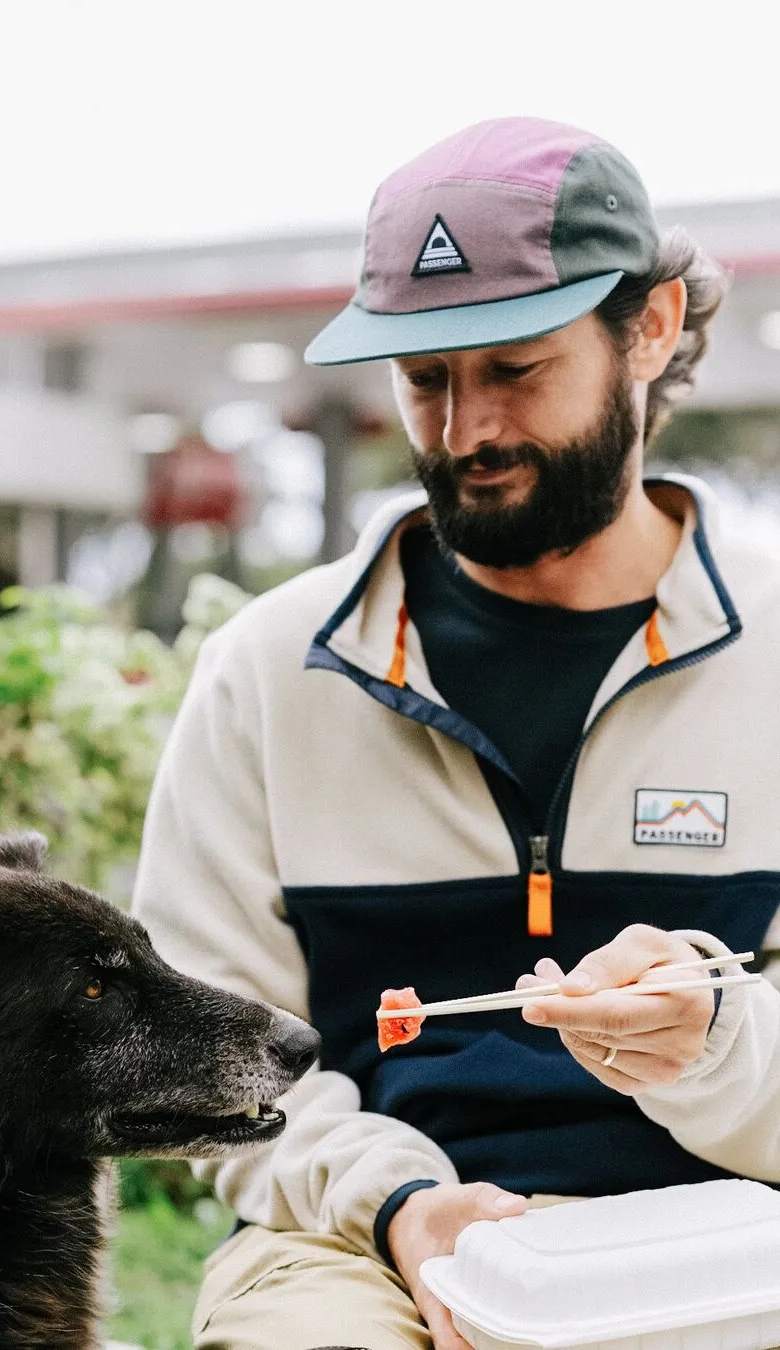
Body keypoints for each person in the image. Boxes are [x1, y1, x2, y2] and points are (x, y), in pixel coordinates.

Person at [131, 117, 780, 1350]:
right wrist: (407, 1211)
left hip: (723, 1232)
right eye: (425, 381)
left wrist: (713, 1040)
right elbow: (199, 1064)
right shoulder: (267, 673)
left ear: (647, 329)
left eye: (515, 369)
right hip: (352, 1251)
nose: (464, 431)